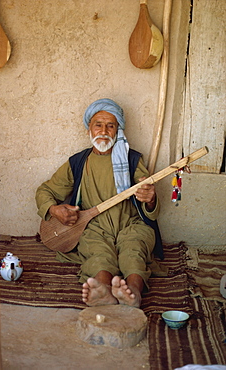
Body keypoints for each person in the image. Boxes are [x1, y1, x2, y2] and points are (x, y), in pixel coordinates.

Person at [35, 98, 167, 308]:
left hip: (131, 224)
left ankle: (132, 292)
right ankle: (103, 291)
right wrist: (53, 209)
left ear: (118, 129)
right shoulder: (78, 162)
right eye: (98, 124)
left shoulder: (132, 160)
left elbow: (150, 208)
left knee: (134, 250)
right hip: (93, 227)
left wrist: (149, 198)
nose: (104, 130)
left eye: (110, 125)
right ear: (89, 128)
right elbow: (45, 190)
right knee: (98, 254)